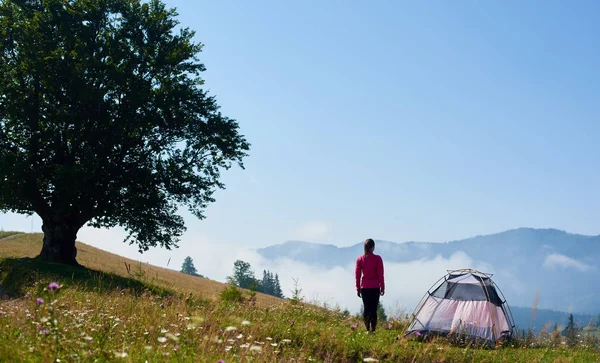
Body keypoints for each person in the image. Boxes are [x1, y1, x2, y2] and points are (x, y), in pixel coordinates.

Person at [355, 238, 385, 333]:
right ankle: (373, 329)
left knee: (366, 308)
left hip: (365, 288)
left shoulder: (360, 259)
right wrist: (382, 287)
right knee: (373, 309)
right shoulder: (378, 259)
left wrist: (358, 288)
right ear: (373, 247)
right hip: (375, 287)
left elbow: (357, 275)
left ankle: (367, 329)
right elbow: (381, 274)